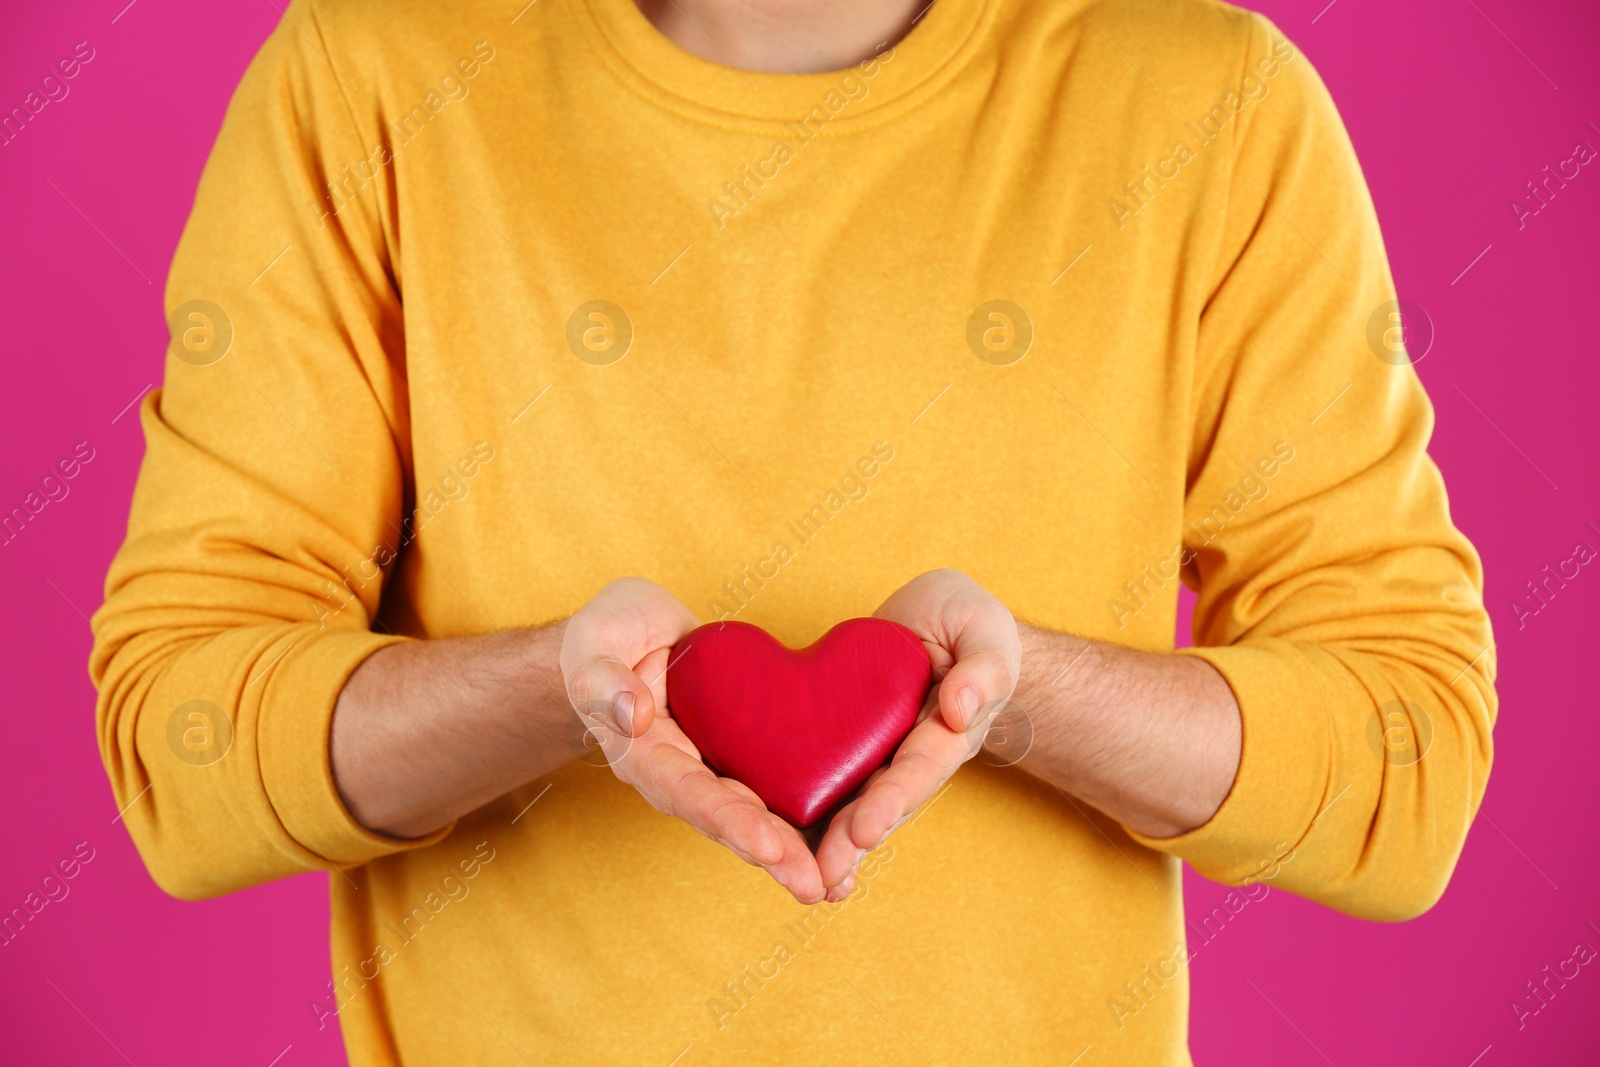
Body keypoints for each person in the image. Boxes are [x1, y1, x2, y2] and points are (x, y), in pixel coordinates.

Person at [90, 0, 1497, 1062]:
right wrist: (557, 690)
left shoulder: (1214, 104)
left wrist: (1019, 694)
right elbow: (182, 750)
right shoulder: (368, 71)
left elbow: (1407, 770)